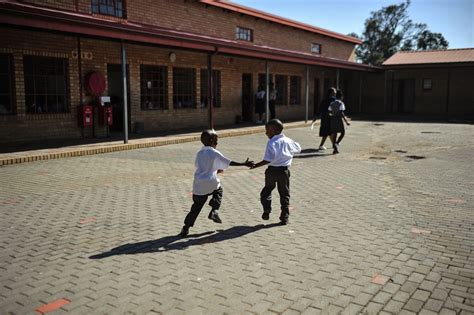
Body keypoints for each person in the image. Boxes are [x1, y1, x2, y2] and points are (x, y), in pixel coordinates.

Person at [180, 130, 253, 237]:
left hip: (198, 184)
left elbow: (201, 166)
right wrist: (243, 163)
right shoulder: (213, 152)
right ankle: (214, 210)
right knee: (219, 191)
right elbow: (227, 161)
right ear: (211, 141)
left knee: (196, 207)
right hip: (211, 182)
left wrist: (215, 169)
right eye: (216, 140)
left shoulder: (199, 153)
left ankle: (185, 228)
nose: (217, 143)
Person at [251, 119, 301, 225]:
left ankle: (267, 209)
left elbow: (268, 159)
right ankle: (285, 217)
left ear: (273, 130)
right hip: (284, 171)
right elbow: (298, 148)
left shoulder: (272, 142)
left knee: (266, 191)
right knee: (284, 194)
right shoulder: (288, 140)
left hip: (272, 171)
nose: (266, 133)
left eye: (267, 130)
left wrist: (256, 165)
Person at [329, 90, 351, 154]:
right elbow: (341, 113)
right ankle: (337, 143)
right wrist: (346, 121)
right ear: (341, 97)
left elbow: (329, 111)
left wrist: (332, 115)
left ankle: (335, 150)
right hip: (338, 119)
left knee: (335, 133)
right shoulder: (341, 103)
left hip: (333, 119)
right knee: (343, 132)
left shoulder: (332, 103)